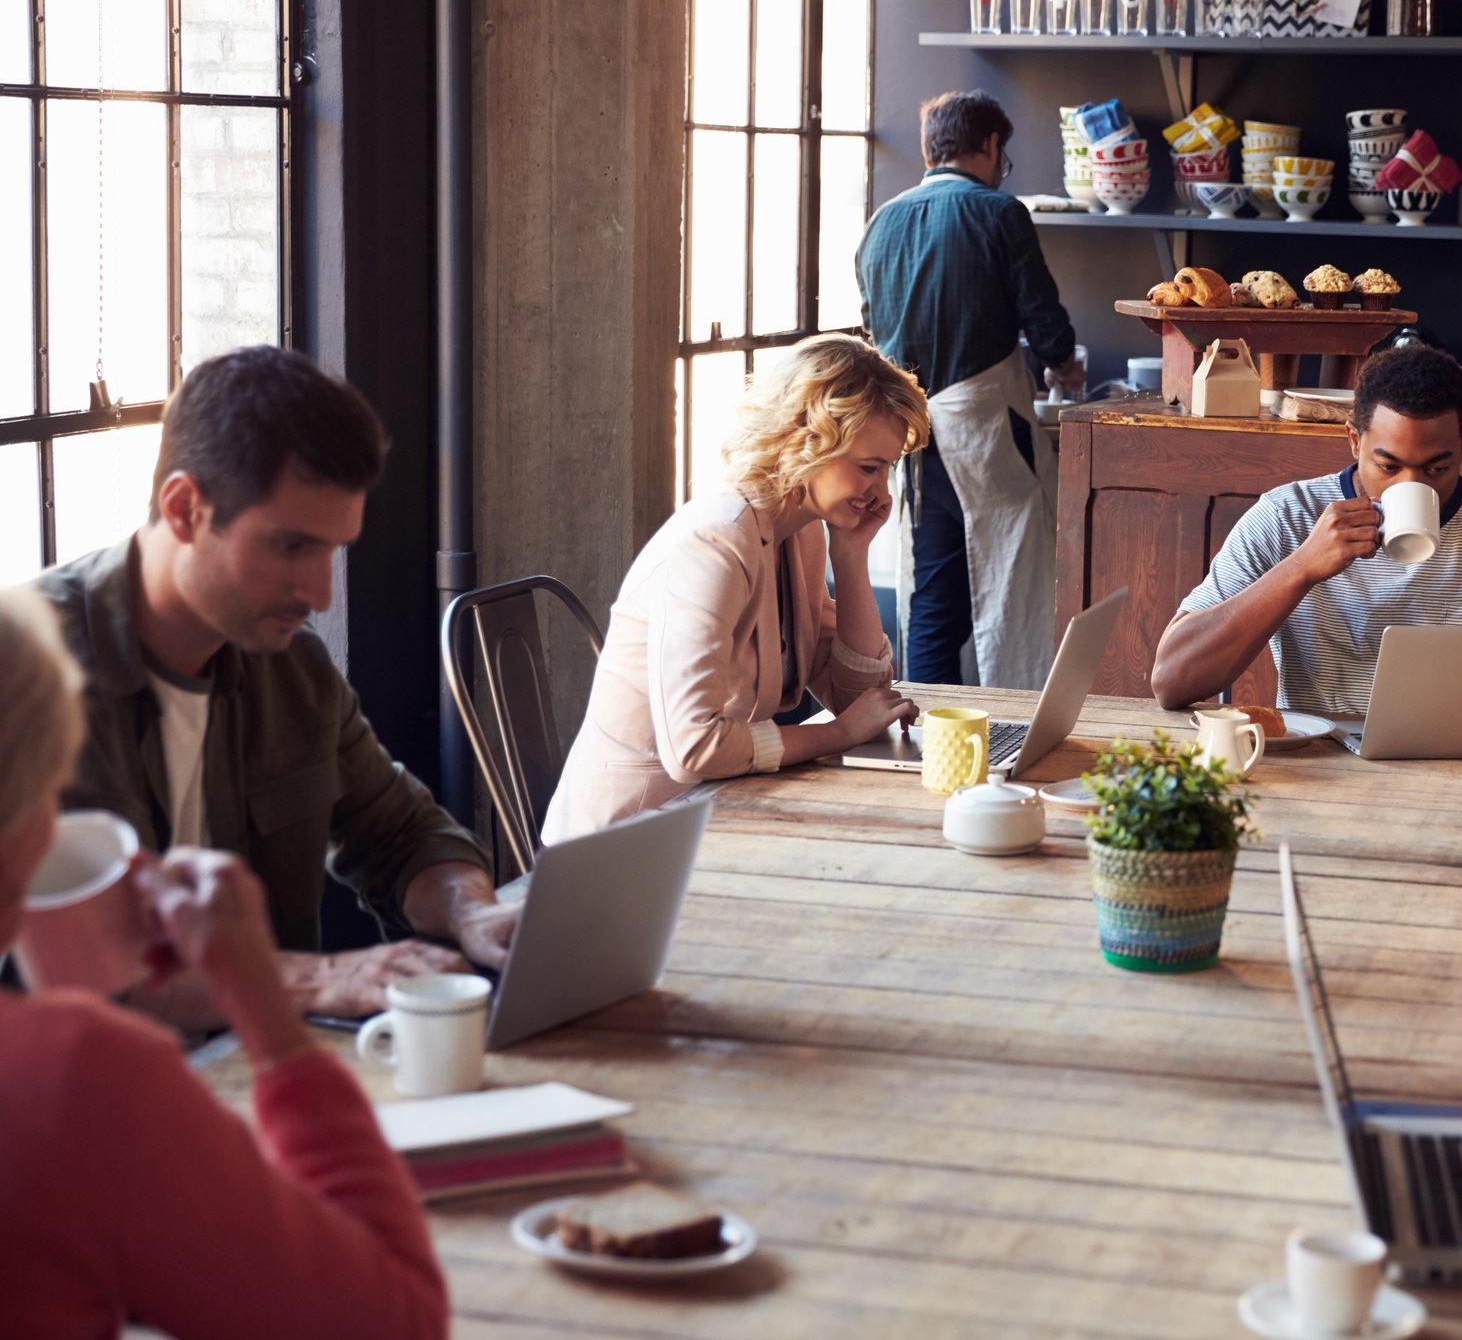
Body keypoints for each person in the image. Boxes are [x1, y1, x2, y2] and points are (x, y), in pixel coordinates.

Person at [0, 586, 449, 1337]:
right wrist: (272, 1016)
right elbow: (392, 1322)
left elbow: (398, 822)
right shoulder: (70, 1079)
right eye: (50, 788)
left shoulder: (297, 671)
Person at [35, 346, 513, 1025]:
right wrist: (318, 981)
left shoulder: (293, 667)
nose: (318, 592)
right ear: (183, 508)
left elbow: (401, 834)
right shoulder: (26, 679)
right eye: (291, 547)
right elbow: (92, 968)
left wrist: (474, 915)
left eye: (332, 550)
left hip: (259, 1073)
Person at [1150, 345, 1462, 744]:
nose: (1411, 486)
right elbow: (1173, 680)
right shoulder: (1288, 517)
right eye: (1387, 466)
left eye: (1437, 468)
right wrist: (1301, 568)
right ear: (1353, 440)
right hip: (1323, 769)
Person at [543, 335, 927, 841]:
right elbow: (693, 748)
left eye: (889, 469)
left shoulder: (803, 533)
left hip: (713, 813)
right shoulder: (717, 541)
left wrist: (851, 556)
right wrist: (835, 736)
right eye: (868, 468)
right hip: (621, 846)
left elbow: (860, 702)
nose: (882, 492)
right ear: (805, 440)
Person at [856, 89, 1080, 689]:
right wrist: (1064, 367)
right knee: (1011, 582)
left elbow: (872, 327)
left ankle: (927, 734)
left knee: (933, 597)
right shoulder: (999, 213)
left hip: (909, 435)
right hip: (988, 433)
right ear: (989, 146)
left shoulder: (882, 222)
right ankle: (1014, 728)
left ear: (933, 149)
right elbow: (1047, 324)